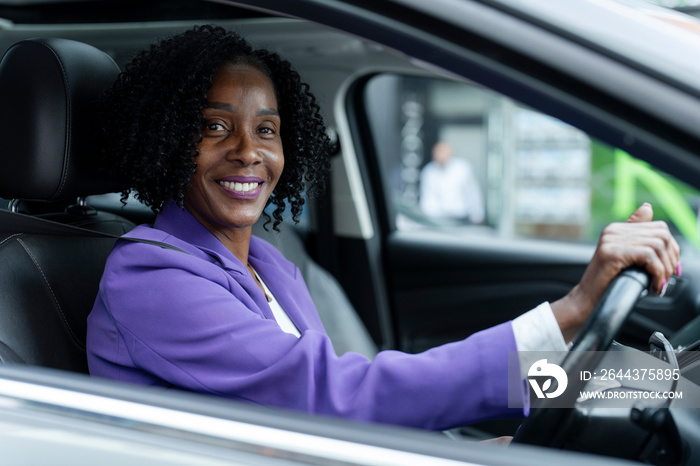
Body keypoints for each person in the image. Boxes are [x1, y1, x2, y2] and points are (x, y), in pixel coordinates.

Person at [86, 26, 680, 432]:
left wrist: (590, 388)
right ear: (166, 143)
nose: (249, 152)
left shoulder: (268, 263)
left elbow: (341, 406)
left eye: (266, 130)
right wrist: (572, 309)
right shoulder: (150, 275)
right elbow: (337, 398)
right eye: (215, 127)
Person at [419, 141, 485, 224]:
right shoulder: (429, 171)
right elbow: (427, 197)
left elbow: (472, 192)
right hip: (437, 219)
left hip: (460, 217)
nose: (440, 155)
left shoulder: (462, 168)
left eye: (442, 152)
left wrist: (478, 215)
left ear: (449, 153)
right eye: (437, 153)